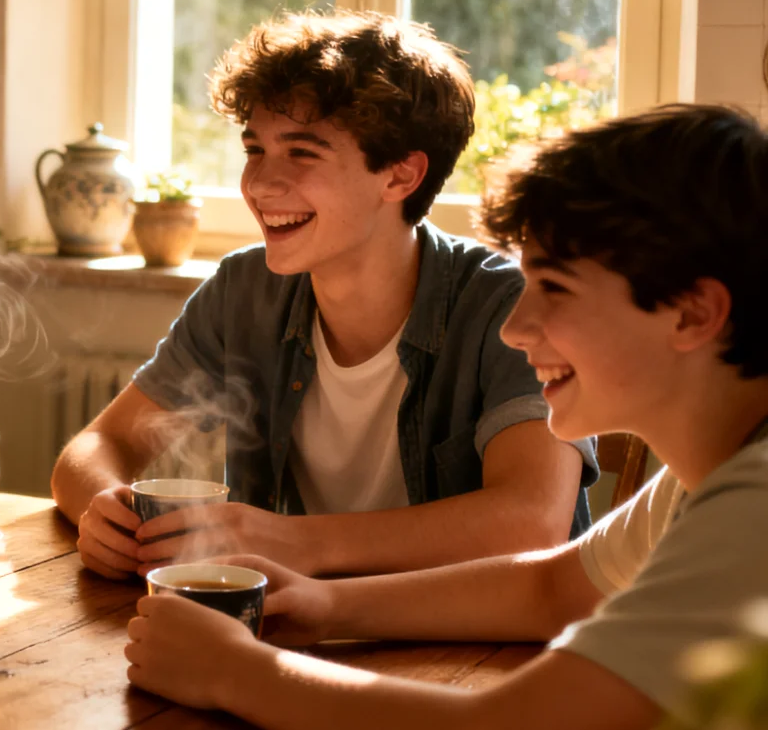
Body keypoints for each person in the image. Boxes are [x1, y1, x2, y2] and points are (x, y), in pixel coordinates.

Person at [126, 103, 768, 729]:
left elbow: (509, 721)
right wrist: (321, 604)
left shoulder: (756, 502)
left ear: (691, 312)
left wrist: (235, 672)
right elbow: (554, 590)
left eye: (557, 289)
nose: (516, 329)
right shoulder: (708, 478)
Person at [52, 11, 595, 580]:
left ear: (400, 176)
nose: (259, 185)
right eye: (254, 149)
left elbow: (531, 521)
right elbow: (99, 445)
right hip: (301, 630)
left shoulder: (509, 307)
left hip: (482, 652)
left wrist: (291, 542)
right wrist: (105, 507)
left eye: (302, 153)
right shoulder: (244, 291)